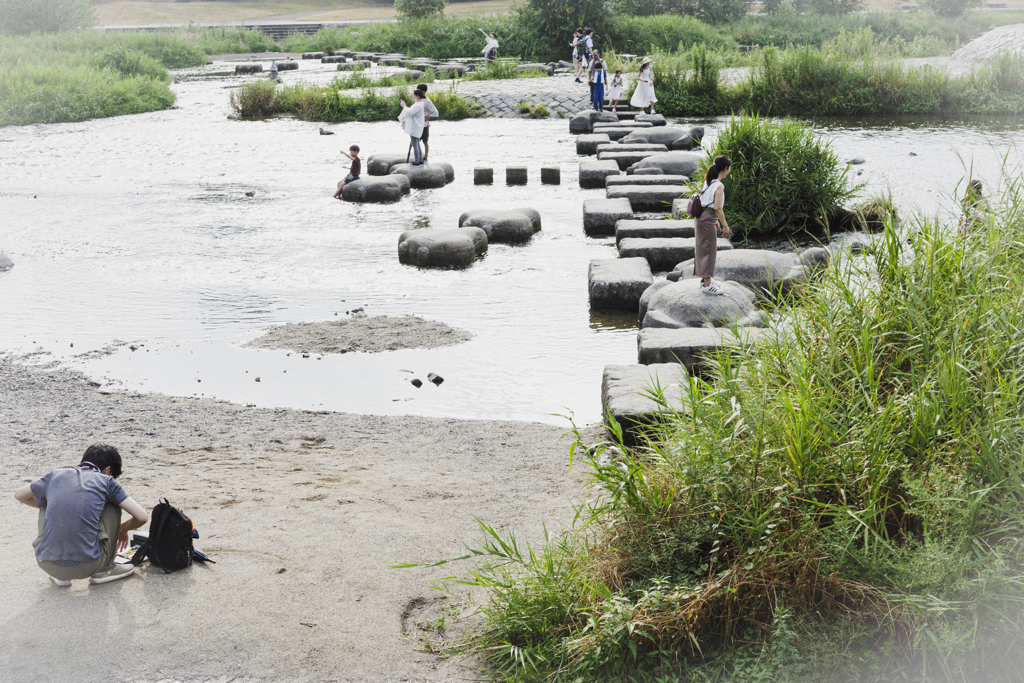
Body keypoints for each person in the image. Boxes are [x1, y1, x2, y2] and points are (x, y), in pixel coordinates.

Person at [14, 444, 150, 586]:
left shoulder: (55, 475)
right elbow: (142, 517)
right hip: (89, 565)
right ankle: (104, 571)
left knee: (46, 499)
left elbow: (19, 495)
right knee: (113, 504)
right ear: (108, 470)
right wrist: (122, 529)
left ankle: (61, 577)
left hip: (47, 564)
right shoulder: (107, 481)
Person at [694, 155, 733, 295]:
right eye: (729, 168)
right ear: (725, 168)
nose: (729, 171)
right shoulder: (719, 186)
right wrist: (725, 226)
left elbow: (707, 202)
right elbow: (717, 208)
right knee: (709, 251)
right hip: (707, 219)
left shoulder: (709, 181)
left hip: (702, 218)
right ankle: (707, 284)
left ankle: (706, 280)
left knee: (704, 249)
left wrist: (715, 220)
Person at [399, 90, 426, 166]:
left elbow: (409, 113)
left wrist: (404, 106)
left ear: (417, 96)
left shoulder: (418, 105)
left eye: (413, 95)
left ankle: (417, 161)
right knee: (417, 143)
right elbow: (410, 111)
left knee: (415, 144)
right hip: (416, 127)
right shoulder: (418, 104)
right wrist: (405, 106)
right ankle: (420, 159)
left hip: (415, 127)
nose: (412, 96)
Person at [416, 84, 438, 163]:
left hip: (425, 125)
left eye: (419, 90)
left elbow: (435, 112)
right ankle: (419, 156)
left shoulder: (427, 101)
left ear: (424, 91)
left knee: (425, 141)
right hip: (418, 124)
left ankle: (425, 157)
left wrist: (427, 118)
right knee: (416, 141)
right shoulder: (418, 99)